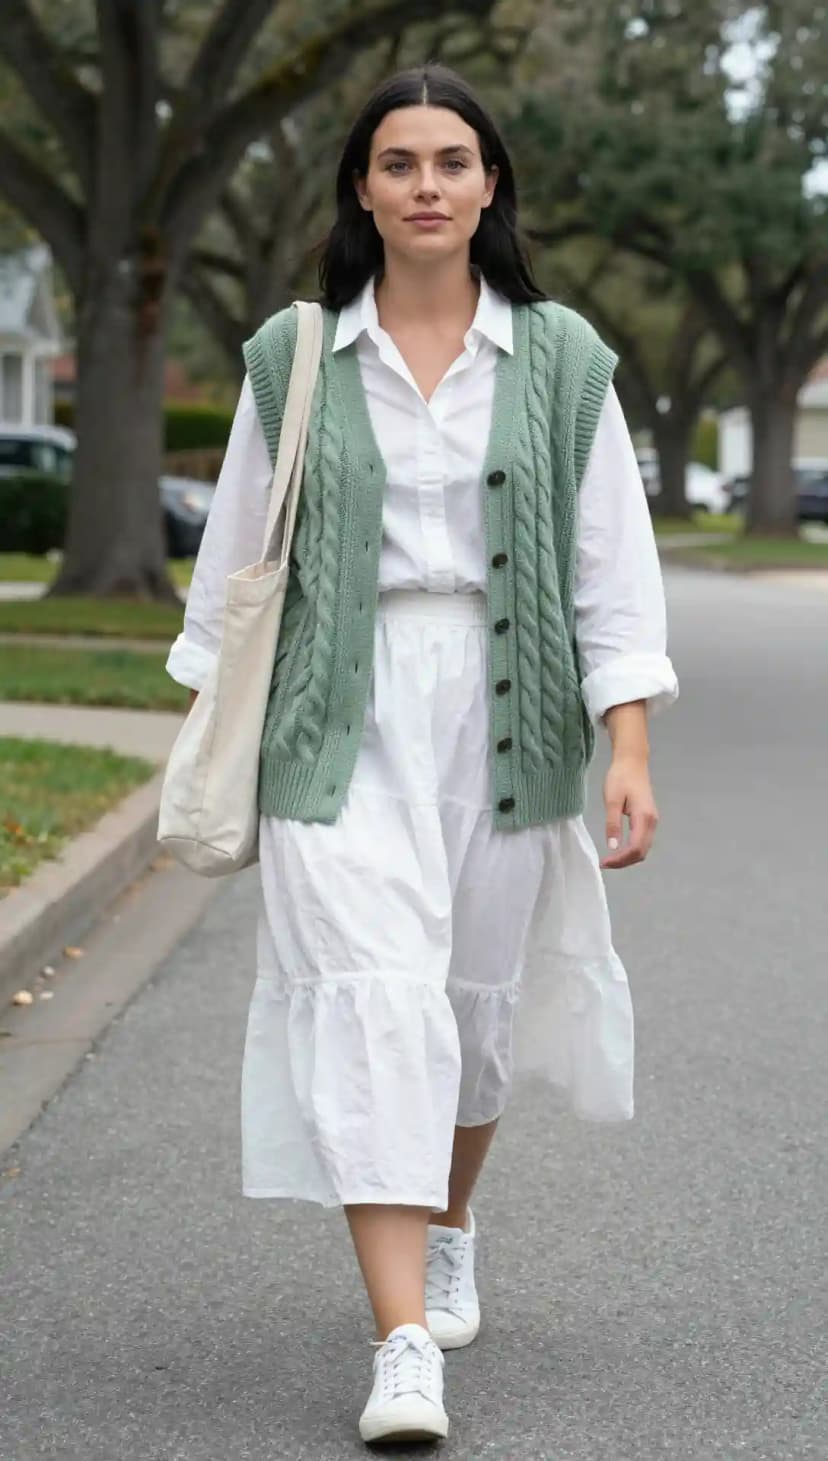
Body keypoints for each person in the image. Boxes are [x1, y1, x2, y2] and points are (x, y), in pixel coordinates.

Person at [165, 62, 678, 1448]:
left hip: (508, 716)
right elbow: (232, 566)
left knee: (470, 1011)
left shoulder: (562, 358)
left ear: (490, 183)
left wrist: (627, 742)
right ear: (363, 188)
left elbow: (610, 567)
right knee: (375, 1002)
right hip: (339, 717)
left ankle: (449, 1227)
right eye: (399, 163)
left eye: (453, 161)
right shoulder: (292, 359)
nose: (428, 185)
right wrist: (205, 734)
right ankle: (401, 1344)